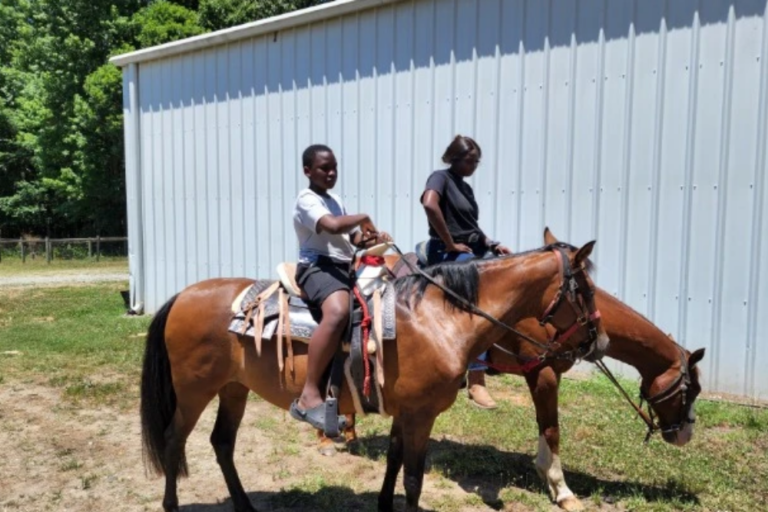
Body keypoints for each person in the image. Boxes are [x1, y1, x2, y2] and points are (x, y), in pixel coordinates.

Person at [290, 144, 391, 431]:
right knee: (337, 312)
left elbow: (351, 238)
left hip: (342, 267)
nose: (332, 173)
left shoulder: (334, 199)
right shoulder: (306, 200)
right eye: (324, 168)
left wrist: (372, 238)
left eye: (334, 167)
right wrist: (363, 217)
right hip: (317, 267)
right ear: (307, 171)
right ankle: (309, 395)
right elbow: (333, 226)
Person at [420, 135, 512, 409]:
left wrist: (491, 244)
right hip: (446, 252)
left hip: (470, 249)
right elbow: (429, 203)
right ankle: (476, 379)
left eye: (476, 161)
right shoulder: (440, 178)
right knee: (480, 298)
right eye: (469, 160)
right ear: (454, 158)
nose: (473, 166)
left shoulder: (465, 188)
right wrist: (449, 242)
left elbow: (471, 226)